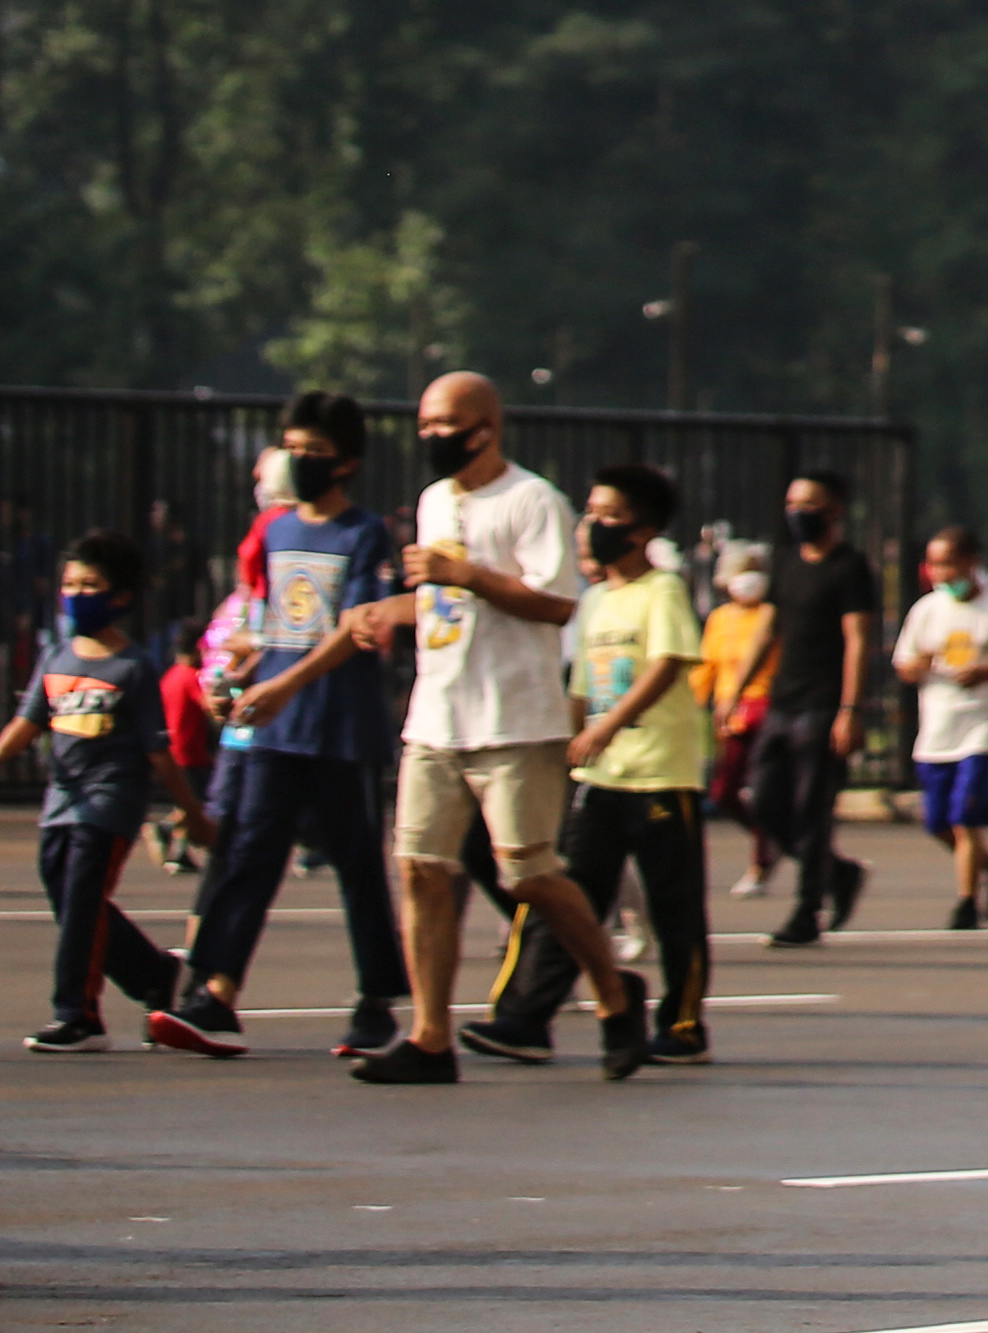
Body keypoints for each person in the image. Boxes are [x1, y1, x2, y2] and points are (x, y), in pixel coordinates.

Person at [360, 374, 655, 1085]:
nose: (432, 436)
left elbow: (558, 603)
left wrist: (466, 574)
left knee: (529, 876)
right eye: (425, 422)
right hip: (437, 714)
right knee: (420, 869)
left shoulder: (532, 500)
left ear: (486, 427)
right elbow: (445, 608)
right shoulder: (435, 501)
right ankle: (431, 1038)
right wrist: (392, 613)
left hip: (515, 720)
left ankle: (617, 996)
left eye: (446, 424)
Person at [169, 392, 405, 1059]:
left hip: (339, 730)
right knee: (247, 854)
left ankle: (376, 1001)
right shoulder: (276, 531)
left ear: (348, 463)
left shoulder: (363, 534)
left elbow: (354, 628)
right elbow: (274, 626)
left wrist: (284, 683)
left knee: (358, 865)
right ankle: (214, 991)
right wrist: (237, 676)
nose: (302, 461)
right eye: (294, 449)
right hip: (275, 730)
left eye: (316, 453)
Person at [476, 467, 713, 1064]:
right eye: (590, 512)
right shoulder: (595, 600)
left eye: (609, 516)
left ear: (643, 531)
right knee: (566, 895)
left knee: (672, 905)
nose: (592, 527)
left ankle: (682, 1024)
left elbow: (667, 663)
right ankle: (525, 1017)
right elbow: (581, 687)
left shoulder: (663, 591)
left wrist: (607, 727)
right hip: (600, 778)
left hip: (660, 772)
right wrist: (567, 737)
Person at [12, 535, 187, 1052]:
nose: (76, 594)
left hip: (109, 803)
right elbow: (25, 726)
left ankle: (78, 1014)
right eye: (70, 584)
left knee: (84, 902)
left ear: (120, 597)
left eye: (90, 585)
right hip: (61, 802)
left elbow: (159, 751)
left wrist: (191, 811)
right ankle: (154, 975)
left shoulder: (133, 668)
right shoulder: (55, 658)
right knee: (69, 900)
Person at [751, 466, 889, 948]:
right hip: (782, 701)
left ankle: (808, 908)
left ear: (833, 511)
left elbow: (858, 640)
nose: (797, 514)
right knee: (764, 803)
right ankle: (839, 873)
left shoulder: (850, 568)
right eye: (791, 505)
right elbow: (768, 628)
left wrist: (850, 709)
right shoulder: (787, 562)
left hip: (824, 704)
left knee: (812, 810)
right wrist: (735, 689)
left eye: (807, 505)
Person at [889, 526, 988, 930]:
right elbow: (905, 661)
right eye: (935, 563)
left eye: (948, 563)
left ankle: (965, 901)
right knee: (938, 822)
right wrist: (916, 666)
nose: (940, 572)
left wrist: (987, 671)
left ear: (971, 563)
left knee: (966, 818)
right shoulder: (927, 610)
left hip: (983, 728)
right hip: (938, 728)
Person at [698, 556, 778, 904]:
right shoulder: (720, 619)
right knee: (724, 791)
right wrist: (697, 700)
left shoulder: (771, 614)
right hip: (730, 712)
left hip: (767, 705)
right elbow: (708, 664)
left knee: (763, 792)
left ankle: (761, 863)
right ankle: (771, 837)